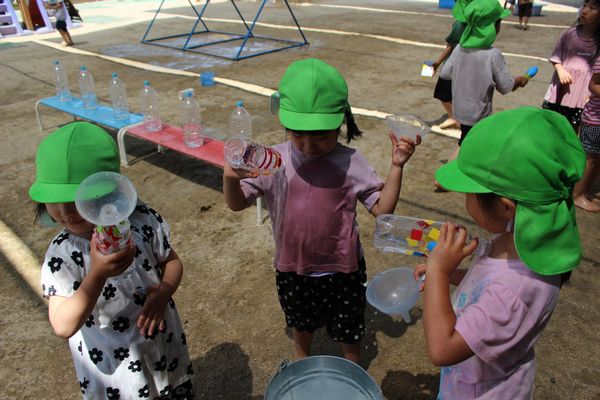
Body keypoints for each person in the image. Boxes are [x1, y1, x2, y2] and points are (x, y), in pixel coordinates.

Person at [223, 58, 420, 363]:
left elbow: (383, 209)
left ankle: (352, 369)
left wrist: (396, 166)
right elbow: (237, 204)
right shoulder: (273, 161)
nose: (308, 144)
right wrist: (229, 177)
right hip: (293, 268)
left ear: (341, 123)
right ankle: (302, 362)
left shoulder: (351, 162)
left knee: (349, 329)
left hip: (344, 269)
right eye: (297, 133)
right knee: (301, 323)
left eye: (321, 135)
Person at [415, 107, 585, 399]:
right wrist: (452, 275)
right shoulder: (522, 242)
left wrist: (438, 272)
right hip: (478, 376)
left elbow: (442, 349)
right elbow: (489, 285)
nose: (466, 199)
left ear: (506, 207)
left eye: (469, 192)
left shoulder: (514, 291)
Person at [29, 122, 194, 399]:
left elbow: (171, 262)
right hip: (117, 377)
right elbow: (63, 325)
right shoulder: (62, 255)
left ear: (112, 190)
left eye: (78, 198)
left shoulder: (141, 222)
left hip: (163, 354)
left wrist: (164, 291)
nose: (65, 210)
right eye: (54, 199)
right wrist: (97, 274)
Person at [440, 0, 528, 146]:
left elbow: (445, 74)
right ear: (493, 26)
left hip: (460, 111)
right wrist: (519, 80)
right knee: (472, 146)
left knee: (465, 140)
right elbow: (505, 86)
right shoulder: (493, 54)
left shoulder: (459, 49)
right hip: (479, 115)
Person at [542, 0, 600, 131]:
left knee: (573, 130)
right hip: (562, 91)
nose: (585, 10)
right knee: (553, 126)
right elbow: (556, 57)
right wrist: (560, 70)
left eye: (592, 8)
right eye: (584, 5)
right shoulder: (568, 34)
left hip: (583, 95)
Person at [573, 55, 600, 212]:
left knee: (596, 158)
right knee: (590, 158)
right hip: (595, 119)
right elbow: (593, 85)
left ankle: (584, 190)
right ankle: (577, 194)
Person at [432, 19, 467, 130]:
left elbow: (450, 46)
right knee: (457, 92)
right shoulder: (477, 21)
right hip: (468, 62)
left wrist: (437, 63)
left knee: (442, 93)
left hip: (453, 64)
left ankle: (454, 118)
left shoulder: (460, 24)